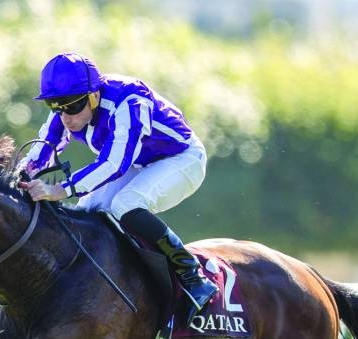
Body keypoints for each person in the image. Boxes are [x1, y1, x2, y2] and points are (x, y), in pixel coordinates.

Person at [20, 52, 218, 320]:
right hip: (141, 163)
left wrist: (60, 189)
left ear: (93, 95)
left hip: (182, 159)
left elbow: (114, 164)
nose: (64, 115)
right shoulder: (70, 107)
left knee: (125, 204)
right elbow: (44, 149)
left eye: (71, 106)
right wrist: (18, 176)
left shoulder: (129, 101)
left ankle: (191, 276)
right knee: (85, 212)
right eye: (54, 106)